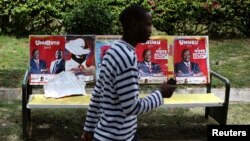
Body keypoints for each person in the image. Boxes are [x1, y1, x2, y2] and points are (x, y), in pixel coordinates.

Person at [81, 5, 176, 141]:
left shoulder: (113, 51)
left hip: (118, 133)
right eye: (148, 25)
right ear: (134, 25)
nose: (151, 30)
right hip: (117, 137)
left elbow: (97, 93)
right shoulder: (127, 58)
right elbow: (132, 108)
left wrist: (89, 128)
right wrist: (161, 94)